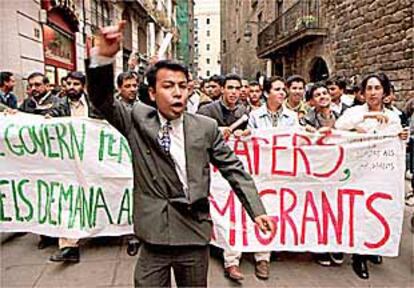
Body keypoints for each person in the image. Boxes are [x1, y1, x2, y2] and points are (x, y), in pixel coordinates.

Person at [86, 21, 274, 288]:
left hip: (193, 234)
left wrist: (257, 210)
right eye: (168, 86)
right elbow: (101, 98)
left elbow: (234, 170)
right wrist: (102, 58)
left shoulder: (205, 127)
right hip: (153, 235)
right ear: (152, 93)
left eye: (182, 86)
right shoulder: (136, 119)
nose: (177, 93)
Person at [335, 72, 408, 279]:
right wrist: (369, 116)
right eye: (369, 88)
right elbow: (340, 128)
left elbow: (397, 142)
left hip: (381, 173)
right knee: (359, 213)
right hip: (358, 174)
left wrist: (403, 137)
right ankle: (359, 257)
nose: (373, 92)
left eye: (377, 88)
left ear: (384, 91)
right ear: (362, 93)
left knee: (379, 211)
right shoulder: (354, 112)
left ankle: (374, 248)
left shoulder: (394, 116)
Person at [198, 73, 249, 140]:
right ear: (222, 89)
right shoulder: (206, 110)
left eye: (237, 88)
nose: (234, 92)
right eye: (230, 88)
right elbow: (198, 134)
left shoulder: (243, 111)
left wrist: (243, 133)